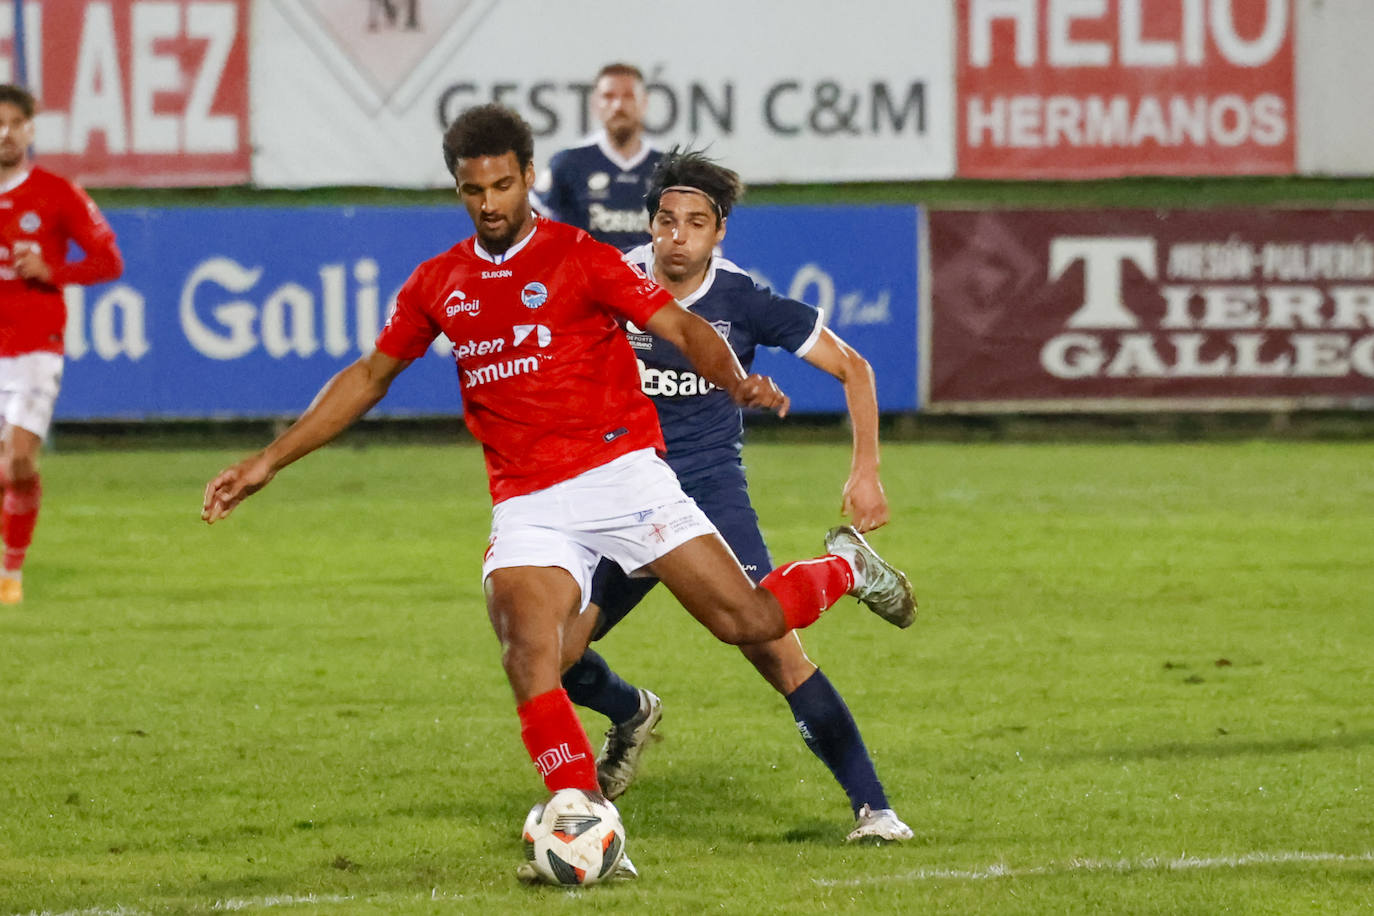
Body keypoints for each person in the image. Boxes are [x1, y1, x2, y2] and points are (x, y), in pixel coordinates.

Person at [201, 104, 914, 882]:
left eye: (504, 184)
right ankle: (582, 816)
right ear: (460, 191)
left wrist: (734, 378)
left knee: (753, 624)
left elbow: (682, 328)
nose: (491, 202)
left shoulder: (583, 258)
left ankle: (846, 573)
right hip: (531, 501)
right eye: (475, 190)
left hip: (630, 478)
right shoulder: (440, 282)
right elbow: (371, 375)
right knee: (532, 648)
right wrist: (270, 459)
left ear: (529, 178)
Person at [562, 148, 914, 843]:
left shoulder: (744, 300)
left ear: (718, 232)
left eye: (696, 223)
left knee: (771, 649)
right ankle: (630, 713)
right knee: (554, 651)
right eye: (667, 221)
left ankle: (874, 809)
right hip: (622, 493)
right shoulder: (609, 280)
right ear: (651, 226)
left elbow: (854, 367)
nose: (678, 236)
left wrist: (865, 469)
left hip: (705, 496)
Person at [0, 84, 123, 605]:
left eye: (14, 123)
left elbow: (108, 260)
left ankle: (12, 574)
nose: (4, 133)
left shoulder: (55, 192)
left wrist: (55, 271)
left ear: (31, 128)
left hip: (34, 347)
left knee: (18, 464)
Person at [532, 62, 661, 250]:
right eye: (608, 96)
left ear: (644, 103)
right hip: (584, 278)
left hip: (647, 279)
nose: (618, 105)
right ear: (594, 104)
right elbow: (531, 225)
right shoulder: (568, 164)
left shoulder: (667, 168)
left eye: (628, 96)